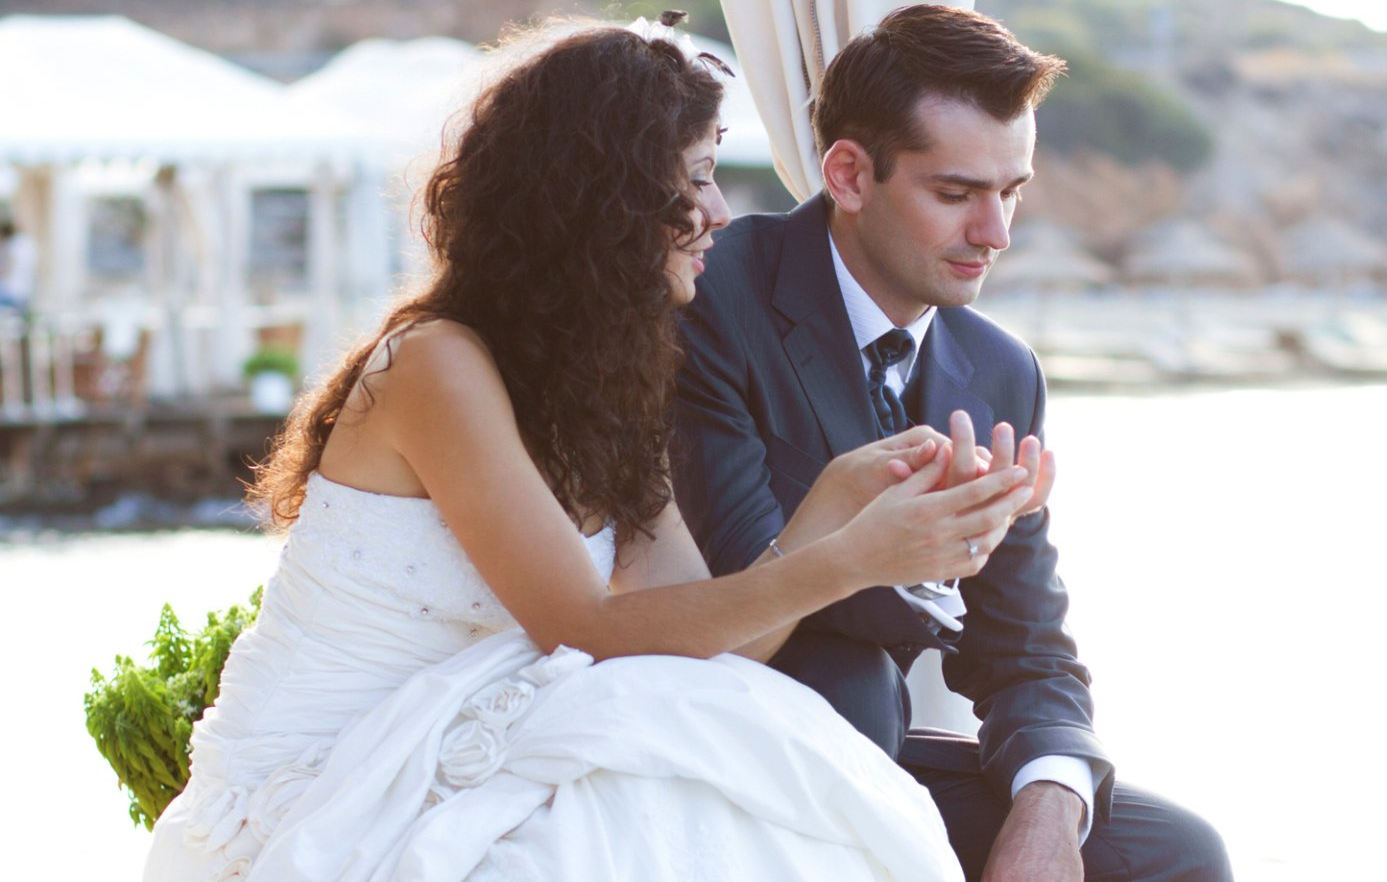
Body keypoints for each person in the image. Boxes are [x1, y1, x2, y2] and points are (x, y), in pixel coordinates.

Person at [142, 18, 1042, 882]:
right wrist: (850, 560)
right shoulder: (436, 366)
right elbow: (583, 629)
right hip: (330, 779)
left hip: (473, 738)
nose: (722, 211)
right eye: (693, 180)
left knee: (742, 751)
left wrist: (843, 504)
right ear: (601, 198)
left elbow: (705, 636)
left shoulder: (610, 387)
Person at [675, 6, 1231, 880]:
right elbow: (742, 585)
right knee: (855, 681)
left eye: (1012, 191)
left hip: (880, 759)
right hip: (729, 738)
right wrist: (901, 546)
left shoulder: (1002, 371)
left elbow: (1029, 649)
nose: (996, 234)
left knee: (1178, 854)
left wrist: (1051, 804)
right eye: (957, 193)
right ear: (850, 175)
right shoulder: (720, 299)